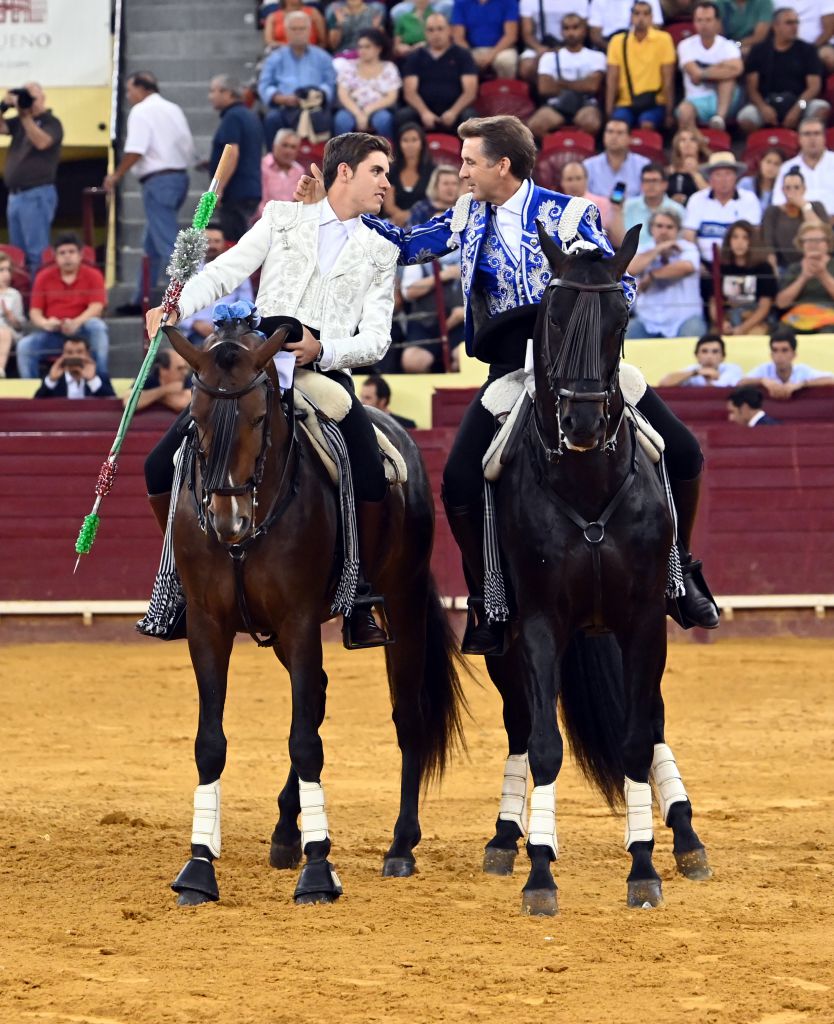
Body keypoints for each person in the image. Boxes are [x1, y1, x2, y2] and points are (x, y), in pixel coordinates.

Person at [304, 115, 719, 644]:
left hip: (582, 372)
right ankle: (489, 596)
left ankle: (679, 574)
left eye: (470, 161)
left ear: (503, 164)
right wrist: (334, 208)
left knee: (682, 451)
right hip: (510, 371)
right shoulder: (467, 215)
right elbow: (405, 247)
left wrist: (585, 328)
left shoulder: (568, 214)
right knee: (458, 479)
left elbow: (621, 282)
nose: (462, 170)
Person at [145, 133, 402, 648]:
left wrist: (322, 349)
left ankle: (358, 594)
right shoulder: (283, 219)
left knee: (371, 471)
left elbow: (377, 339)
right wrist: (177, 307)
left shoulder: (380, 249)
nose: (386, 182)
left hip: (322, 377)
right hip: (253, 371)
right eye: (377, 170)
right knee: (159, 464)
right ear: (344, 173)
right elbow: (225, 271)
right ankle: (178, 580)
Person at [104, 72, 194, 316]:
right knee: (152, 245)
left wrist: (116, 176)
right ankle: (139, 299)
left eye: (130, 90)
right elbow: (187, 145)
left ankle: (187, 297)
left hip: (158, 180)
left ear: (141, 89)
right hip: (179, 177)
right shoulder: (173, 108)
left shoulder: (141, 111)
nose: (128, 96)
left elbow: (136, 149)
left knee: (168, 243)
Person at [15, 234, 109, 379]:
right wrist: (46, 323)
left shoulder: (94, 275)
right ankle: (31, 394)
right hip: (55, 332)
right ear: (55, 256)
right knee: (24, 346)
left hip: (83, 331)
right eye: (62, 253)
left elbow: (97, 307)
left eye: (71, 252)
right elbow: (35, 312)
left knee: (97, 326)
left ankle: (101, 380)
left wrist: (76, 322)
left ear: (80, 255)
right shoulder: (43, 277)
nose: (67, 257)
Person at [400, 168, 465, 371]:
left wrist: (465, 312)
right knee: (413, 361)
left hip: (462, 320)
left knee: (463, 358)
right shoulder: (422, 252)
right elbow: (408, 291)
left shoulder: (469, 249)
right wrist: (443, 276)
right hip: (427, 321)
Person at [0, 82, 63, 276]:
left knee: (37, 253)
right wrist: (4, 104)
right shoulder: (19, 121)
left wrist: (25, 116)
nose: (29, 102)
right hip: (15, 195)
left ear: (42, 98)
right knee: (17, 255)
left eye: (32, 97)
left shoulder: (51, 122)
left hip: (36, 193)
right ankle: (22, 301)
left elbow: (42, 142)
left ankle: (38, 302)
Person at [737, 7, 830, 134]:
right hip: (767, 103)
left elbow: (814, 87)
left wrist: (797, 108)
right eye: (789, 23)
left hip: (800, 103)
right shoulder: (759, 51)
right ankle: (765, 141)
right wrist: (763, 108)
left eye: (796, 22)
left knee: (821, 108)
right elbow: (752, 88)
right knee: (746, 118)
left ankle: (805, 139)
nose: (795, 27)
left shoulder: (808, 50)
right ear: (775, 26)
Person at [258, 12, 336, 148]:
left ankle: (326, 164)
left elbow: (330, 84)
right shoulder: (275, 58)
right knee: (272, 119)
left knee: (335, 120)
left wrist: (318, 96)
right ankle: (273, 164)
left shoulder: (323, 57)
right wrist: (280, 98)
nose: (298, 33)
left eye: (302, 28)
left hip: (315, 107)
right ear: (286, 31)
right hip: (285, 106)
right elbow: (265, 85)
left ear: (310, 31)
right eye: (294, 29)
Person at [626, 208, 707, 338]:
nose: (663, 231)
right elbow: (631, 268)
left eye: (669, 227)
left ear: (678, 230)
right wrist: (659, 248)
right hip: (648, 321)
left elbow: (687, 267)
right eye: (659, 226)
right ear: (651, 229)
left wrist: (652, 275)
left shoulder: (688, 247)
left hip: (685, 320)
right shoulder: (643, 249)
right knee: (627, 334)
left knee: (694, 331)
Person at [527, 14, 606, 140]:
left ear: (584, 30)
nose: (571, 32)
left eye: (575, 28)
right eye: (566, 28)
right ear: (561, 32)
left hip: (585, 104)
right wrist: (581, 84)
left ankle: (579, 146)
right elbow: (545, 89)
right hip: (557, 105)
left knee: (591, 123)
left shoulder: (597, 56)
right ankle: (557, 145)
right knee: (534, 126)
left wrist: (559, 83)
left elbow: (592, 86)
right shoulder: (550, 57)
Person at [400, 13, 479, 133]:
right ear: (425, 33)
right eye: (430, 30)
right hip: (423, 111)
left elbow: (470, 92)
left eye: (440, 29)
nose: (435, 34)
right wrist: (424, 112)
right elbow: (410, 92)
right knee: (403, 116)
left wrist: (453, 112)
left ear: (449, 30)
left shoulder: (463, 55)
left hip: (456, 110)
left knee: (470, 117)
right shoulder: (415, 56)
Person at [176, 224, 255, 345]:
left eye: (217, 241)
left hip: (232, 331)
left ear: (224, 243)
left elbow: (246, 302)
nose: (212, 245)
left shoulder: (237, 269)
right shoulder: (187, 269)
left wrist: (230, 326)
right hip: (196, 332)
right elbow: (176, 302)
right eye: (207, 241)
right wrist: (193, 324)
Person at [207, 75, 263, 243]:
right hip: (249, 189)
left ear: (227, 93)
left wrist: (217, 189)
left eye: (213, 91)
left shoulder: (232, 117)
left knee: (233, 244)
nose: (210, 96)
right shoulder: (249, 116)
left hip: (236, 191)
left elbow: (231, 153)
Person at [682, 151, 762, 268]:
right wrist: (698, 263)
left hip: (740, 264)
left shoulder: (749, 199)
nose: (723, 179)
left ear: (736, 177)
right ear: (710, 179)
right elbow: (689, 236)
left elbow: (755, 235)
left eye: (728, 174)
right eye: (718, 174)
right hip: (704, 264)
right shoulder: (697, 199)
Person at [605, 0, 676, 131]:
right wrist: (609, 111)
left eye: (645, 14)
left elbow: (668, 80)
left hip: (655, 102)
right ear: (631, 17)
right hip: (626, 102)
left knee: (646, 124)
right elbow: (612, 79)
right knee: (617, 126)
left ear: (652, 17)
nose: (641, 18)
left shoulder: (664, 39)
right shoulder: (617, 41)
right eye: (637, 14)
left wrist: (669, 112)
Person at [675, 1, 744, 133]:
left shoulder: (728, 45)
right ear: (694, 22)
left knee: (728, 80)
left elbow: (738, 68)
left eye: (708, 20)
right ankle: (701, 147)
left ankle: (719, 118)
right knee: (684, 111)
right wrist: (721, 66)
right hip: (695, 99)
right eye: (699, 20)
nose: (703, 24)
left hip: (724, 100)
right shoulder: (685, 45)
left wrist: (704, 73)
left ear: (717, 22)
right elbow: (693, 72)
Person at [708, 220, 776, 334]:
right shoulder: (720, 267)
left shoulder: (764, 268)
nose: (739, 243)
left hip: (754, 319)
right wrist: (722, 323)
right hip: (728, 318)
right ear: (729, 241)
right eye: (735, 237)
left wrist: (742, 329)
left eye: (745, 238)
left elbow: (764, 306)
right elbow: (713, 303)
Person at [334, 29, 402, 139]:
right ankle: (341, 155)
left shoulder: (389, 67)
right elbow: (343, 95)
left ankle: (387, 153)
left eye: (367, 47)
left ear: (378, 49)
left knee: (383, 120)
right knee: (342, 120)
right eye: (360, 47)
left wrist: (368, 110)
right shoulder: (348, 67)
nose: (362, 51)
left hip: (379, 108)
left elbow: (391, 97)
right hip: (352, 109)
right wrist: (358, 113)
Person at [763, 166, 828, 270]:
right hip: (784, 266)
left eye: (796, 187)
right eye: (788, 188)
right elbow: (768, 245)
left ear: (804, 189)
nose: (792, 192)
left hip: (817, 262)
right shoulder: (773, 211)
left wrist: (804, 206)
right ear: (782, 190)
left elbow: (823, 234)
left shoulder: (816, 206)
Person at [739, 325, 834, 395]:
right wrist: (762, 381)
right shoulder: (764, 370)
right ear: (771, 355)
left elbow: (831, 380)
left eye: (785, 350)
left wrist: (802, 384)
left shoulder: (802, 370)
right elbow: (740, 383)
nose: (779, 356)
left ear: (794, 355)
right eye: (775, 350)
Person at [775, 220, 834, 332]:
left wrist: (823, 274)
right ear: (801, 245)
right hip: (799, 318)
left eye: (818, 240)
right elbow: (781, 303)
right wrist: (803, 277)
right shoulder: (794, 268)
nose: (813, 244)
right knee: (783, 332)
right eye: (808, 241)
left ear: (828, 243)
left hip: (829, 318)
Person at [771, 120, 834, 215]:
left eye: (817, 134)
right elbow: (778, 201)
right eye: (807, 134)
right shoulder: (787, 167)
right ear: (799, 139)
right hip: (799, 222)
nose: (812, 139)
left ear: (824, 138)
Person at [519, 0, 591, 82]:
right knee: (527, 66)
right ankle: (539, 92)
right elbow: (527, 34)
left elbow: (582, 30)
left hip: (571, 45)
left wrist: (566, 50)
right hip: (540, 46)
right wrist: (540, 49)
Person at [450, 0, 520, 79]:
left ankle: (506, 90)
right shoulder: (461, 2)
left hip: (501, 49)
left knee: (506, 62)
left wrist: (491, 55)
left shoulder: (509, 2)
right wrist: (470, 55)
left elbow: (510, 36)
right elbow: (458, 37)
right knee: (460, 61)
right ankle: (469, 90)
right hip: (471, 49)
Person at [583, 118, 649, 200]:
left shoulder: (643, 165)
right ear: (604, 136)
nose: (614, 137)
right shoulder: (588, 165)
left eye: (620, 133)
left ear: (630, 138)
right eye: (610, 132)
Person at [383, 123, 435, 226]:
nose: (410, 145)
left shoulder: (432, 170)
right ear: (399, 144)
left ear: (422, 144)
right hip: (396, 221)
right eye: (405, 140)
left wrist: (411, 216)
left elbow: (434, 201)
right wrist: (401, 216)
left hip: (426, 222)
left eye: (414, 140)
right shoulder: (392, 170)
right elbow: (388, 205)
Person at [623, 163, 686, 248]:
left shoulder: (678, 210)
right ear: (641, 185)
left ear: (665, 184)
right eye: (646, 181)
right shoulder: (628, 206)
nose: (650, 185)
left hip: (667, 256)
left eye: (655, 180)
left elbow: (681, 241)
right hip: (634, 258)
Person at [33, 336, 115, 399]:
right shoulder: (53, 378)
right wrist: (52, 381)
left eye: (79, 352)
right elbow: (36, 404)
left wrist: (92, 380)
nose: (74, 356)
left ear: (88, 354)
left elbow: (112, 403)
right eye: (69, 352)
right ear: (63, 355)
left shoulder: (101, 377)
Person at [658, 332, 744, 387]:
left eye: (715, 352)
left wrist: (707, 375)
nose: (709, 356)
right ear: (697, 356)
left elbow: (716, 392)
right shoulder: (693, 370)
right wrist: (696, 372)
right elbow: (663, 384)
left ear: (723, 357)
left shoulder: (733, 369)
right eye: (704, 351)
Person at [130, 348, 192, 413]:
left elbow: (183, 404)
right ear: (163, 370)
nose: (185, 373)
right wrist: (165, 390)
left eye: (185, 368)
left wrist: (150, 396)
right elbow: (129, 403)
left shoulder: (188, 380)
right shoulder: (149, 380)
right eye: (179, 368)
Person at [258, 129, 305, 215]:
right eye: (284, 145)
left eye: (293, 147)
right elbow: (259, 203)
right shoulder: (262, 167)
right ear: (274, 146)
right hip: (264, 222)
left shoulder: (299, 171)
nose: (288, 151)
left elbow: (299, 203)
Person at [588, 0, 663, 49]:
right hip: (608, 46)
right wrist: (615, 50)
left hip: (641, 44)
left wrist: (637, 47)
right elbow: (595, 35)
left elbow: (656, 26)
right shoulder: (599, 1)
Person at [667, 128, 709, 205]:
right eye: (683, 140)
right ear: (677, 145)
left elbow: (711, 195)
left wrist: (694, 173)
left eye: (692, 140)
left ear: (699, 144)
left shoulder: (708, 169)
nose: (687, 143)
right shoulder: (669, 171)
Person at [0, 253, 25, 379]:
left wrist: (10, 317)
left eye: (8, 270)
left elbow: (20, 326)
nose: (6, 274)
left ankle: (0, 369)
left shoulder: (14, 295)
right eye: (1, 270)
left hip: (9, 332)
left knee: (3, 333)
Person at [263, 0, 327, 48]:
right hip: (281, 52)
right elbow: (269, 41)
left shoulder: (314, 13)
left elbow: (323, 41)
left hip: (309, 52)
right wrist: (292, 48)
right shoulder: (272, 17)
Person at [739, 148, 783, 216]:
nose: (771, 167)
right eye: (768, 162)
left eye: (776, 164)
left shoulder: (782, 189)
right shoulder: (746, 183)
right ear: (761, 163)